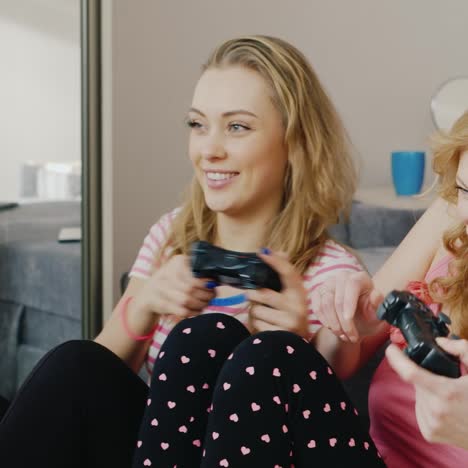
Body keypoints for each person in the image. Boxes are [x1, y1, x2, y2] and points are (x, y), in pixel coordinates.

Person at [0, 35, 385, 468]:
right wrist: (145, 302)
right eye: (198, 124)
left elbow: (324, 417)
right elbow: (97, 376)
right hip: (162, 451)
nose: (208, 149)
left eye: (237, 127)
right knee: (77, 360)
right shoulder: (171, 234)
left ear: (294, 142)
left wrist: (297, 340)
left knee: (209, 337)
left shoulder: (329, 272)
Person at [313, 110, 468, 467]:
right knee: (264, 354)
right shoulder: (450, 223)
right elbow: (327, 363)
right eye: (463, 189)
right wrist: (348, 323)